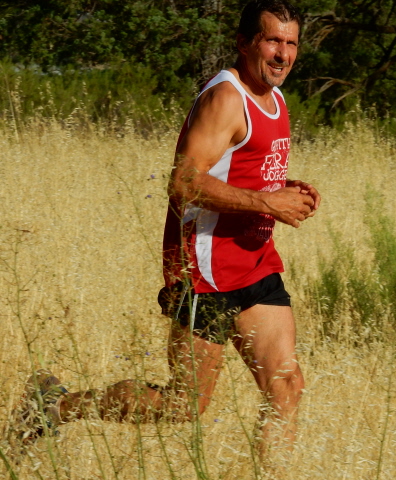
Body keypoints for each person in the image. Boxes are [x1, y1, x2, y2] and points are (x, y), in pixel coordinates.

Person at [4, 0, 320, 468]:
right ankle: (54, 406)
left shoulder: (275, 100)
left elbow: (239, 171)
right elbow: (184, 181)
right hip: (205, 272)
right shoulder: (226, 98)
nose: (283, 54)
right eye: (272, 40)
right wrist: (268, 203)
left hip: (254, 264)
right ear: (244, 42)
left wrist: (283, 191)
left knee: (286, 387)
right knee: (184, 405)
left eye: (291, 43)